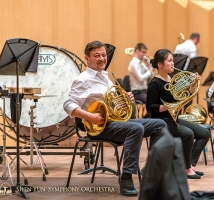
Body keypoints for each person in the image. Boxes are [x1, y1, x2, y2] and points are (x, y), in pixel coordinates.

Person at [63, 40, 168, 197]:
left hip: (116, 123)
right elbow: (68, 105)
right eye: (96, 55)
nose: (101, 58)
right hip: (98, 127)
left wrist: (126, 97)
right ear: (87, 58)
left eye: (103, 55)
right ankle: (126, 178)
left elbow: (113, 100)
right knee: (136, 128)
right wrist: (91, 116)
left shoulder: (105, 77)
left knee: (160, 124)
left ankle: (151, 168)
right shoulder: (83, 79)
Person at [146, 49, 211, 179]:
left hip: (173, 118)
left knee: (204, 133)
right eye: (169, 61)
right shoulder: (155, 83)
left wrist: (192, 85)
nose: (172, 64)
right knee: (188, 134)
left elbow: (180, 97)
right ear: (160, 64)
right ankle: (186, 169)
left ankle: (190, 164)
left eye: (172, 61)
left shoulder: (170, 79)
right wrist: (167, 107)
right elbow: (149, 107)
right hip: (161, 120)